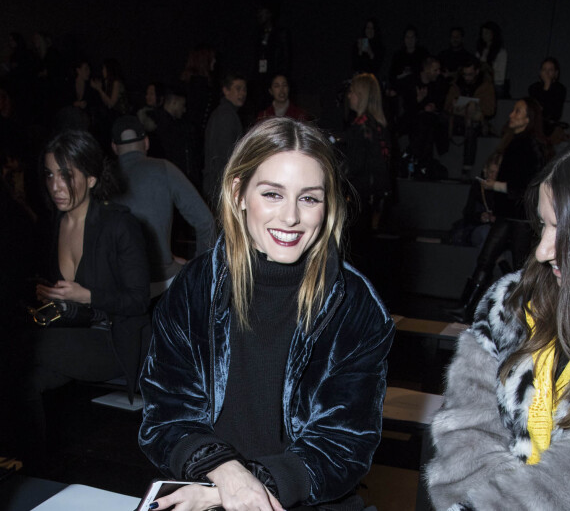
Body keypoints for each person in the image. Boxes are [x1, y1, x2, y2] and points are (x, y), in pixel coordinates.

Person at [139, 117, 394, 511]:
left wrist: (237, 491)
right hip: (205, 480)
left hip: (303, 499)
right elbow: (167, 413)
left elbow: (342, 447)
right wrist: (227, 475)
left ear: (327, 206)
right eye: (273, 194)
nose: (290, 217)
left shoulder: (356, 306)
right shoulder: (195, 286)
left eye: (309, 198)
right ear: (239, 193)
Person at [427, 140, 570, 510]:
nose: (543, 251)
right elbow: (467, 435)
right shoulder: (512, 306)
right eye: (543, 225)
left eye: (560, 229)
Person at [21, 129, 149, 457]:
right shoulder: (52, 225)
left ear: (91, 178)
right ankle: (37, 469)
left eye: (66, 176)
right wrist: (50, 297)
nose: (55, 186)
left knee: (28, 346)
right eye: (50, 175)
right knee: (24, 381)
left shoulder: (119, 225)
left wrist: (86, 295)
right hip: (73, 334)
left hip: (113, 340)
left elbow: (138, 301)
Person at [448, 97, 546, 321]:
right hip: (508, 215)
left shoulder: (530, 144)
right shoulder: (516, 141)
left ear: (528, 118)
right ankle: (467, 307)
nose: (511, 114)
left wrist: (496, 186)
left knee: (520, 265)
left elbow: (528, 184)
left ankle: (525, 313)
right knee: (487, 257)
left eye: (517, 111)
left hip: (520, 217)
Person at [111, 116, 215, 300]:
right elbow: (205, 221)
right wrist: (198, 271)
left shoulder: (101, 180)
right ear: (146, 142)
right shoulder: (164, 169)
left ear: (114, 147)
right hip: (161, 282)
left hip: (118, 287)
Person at [342, 72, 391, 233]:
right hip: (376, 195)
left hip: (361, 195)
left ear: (360, 95)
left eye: (352, 92)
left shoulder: (362, 126)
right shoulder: (379, 125)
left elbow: (355, 163)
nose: (349, 96)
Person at [444, 57, 496, 176]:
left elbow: (490, 109)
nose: (467, 77)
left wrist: (476, 106)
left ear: (477, 72)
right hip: (457, 119)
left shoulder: (485, 86)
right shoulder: (457, 84)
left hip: (477, 121)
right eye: (465, 74)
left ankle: (467, 166)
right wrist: (455, 104)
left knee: (472, 127)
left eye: (470, 74)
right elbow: (447, 105)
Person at [203, 73, 247, 209]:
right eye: (238, 88)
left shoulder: (225, 113)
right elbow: (224, 156)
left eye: (244, 89)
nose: (242, 93)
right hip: (221, 185)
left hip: (218, 184)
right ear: (226, 91)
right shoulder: (226, 116)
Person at [528, 57, 567, 139]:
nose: (546, 73)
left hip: (549, 125)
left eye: (550, 70)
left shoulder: (560, 89)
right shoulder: (533, 88)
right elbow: (535, 108)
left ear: (556, 73)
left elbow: (552, 113)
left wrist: (547, 85)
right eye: (544, 69)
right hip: (533, 123)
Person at [475, 21, 508, 98]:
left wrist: (488, 68)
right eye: (483, 33)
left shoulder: (501, 52)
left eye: (487, 33)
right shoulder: (480, 51)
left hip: (495, 85)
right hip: (481, 83)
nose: (484, 36)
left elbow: (500, 76)